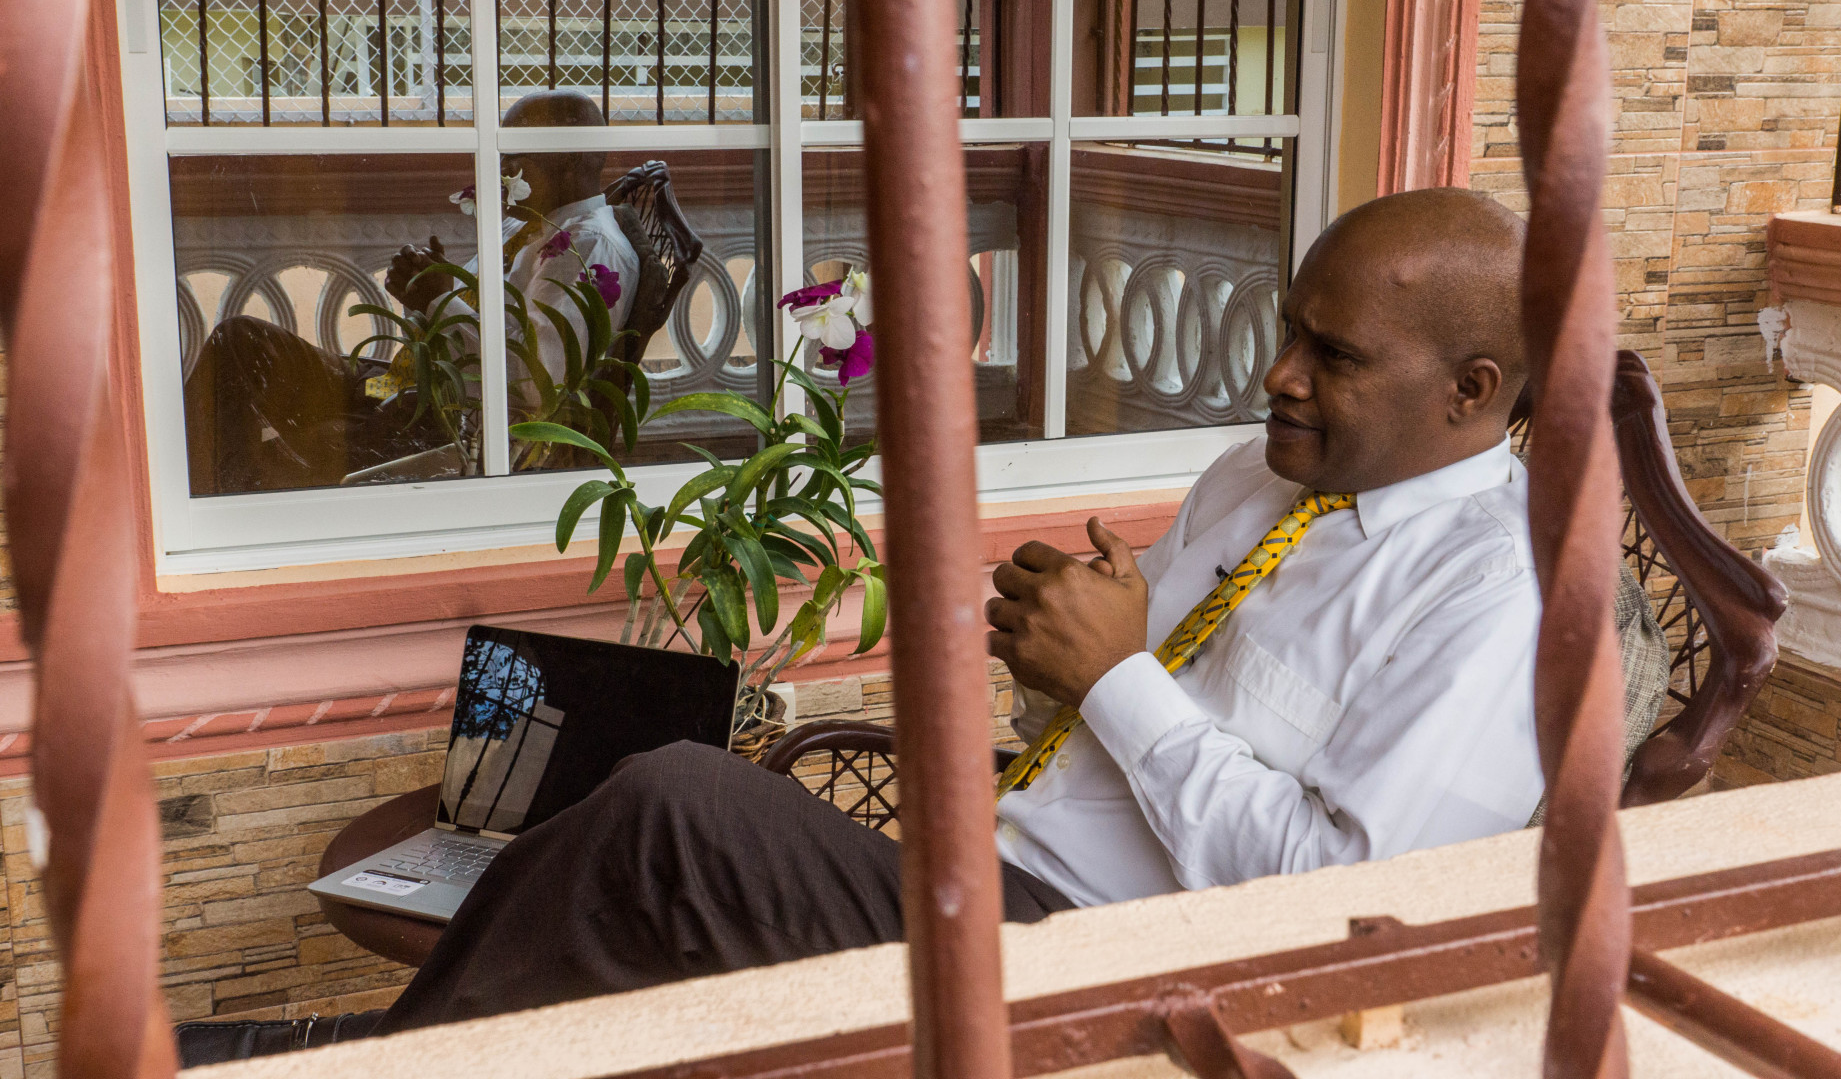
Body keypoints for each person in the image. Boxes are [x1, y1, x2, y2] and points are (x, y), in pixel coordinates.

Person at [372, 186, 1545, 1032]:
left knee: (677, 810)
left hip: (1123, 973)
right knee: (634, 915)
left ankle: (366, 1057)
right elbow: (1111, 720)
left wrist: (1116, 680)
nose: (1279, 373)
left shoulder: (1493, 598)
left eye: (1333, 354)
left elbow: (1353, 904)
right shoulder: (1255, 478)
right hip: (985, 877)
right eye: (1289, 329)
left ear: (1471, 390)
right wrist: (1064, 653)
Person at [184, 89, 641, 494]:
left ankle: (225, 498)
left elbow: (535, 381)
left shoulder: (589, 247)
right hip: (415, 384)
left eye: (515, 154)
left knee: (255, 435)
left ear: (568, 158)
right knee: (241, 342)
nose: (502, 167)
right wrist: (424, 287)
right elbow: (469, 315)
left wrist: (438, 299)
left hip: (454, 422)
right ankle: (209, 489)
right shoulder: (526, 227)